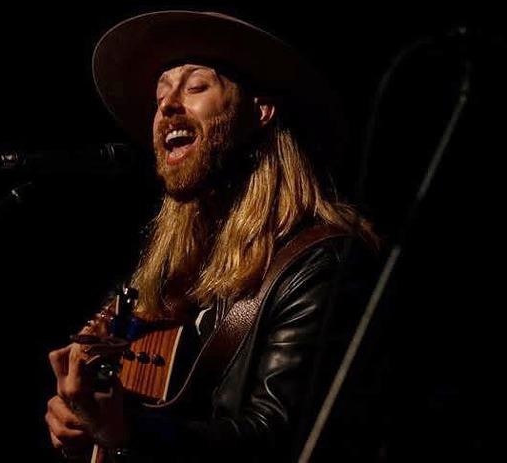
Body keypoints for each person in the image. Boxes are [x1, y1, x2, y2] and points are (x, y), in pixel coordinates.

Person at [45, 10, 381, 462]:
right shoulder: (171, 277)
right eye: (160, 93)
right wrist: (76, 414)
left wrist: (131, 432)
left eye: (196, 86)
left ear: (260, 110)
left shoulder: (320, 264)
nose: (166, 106)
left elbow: (279, 437)